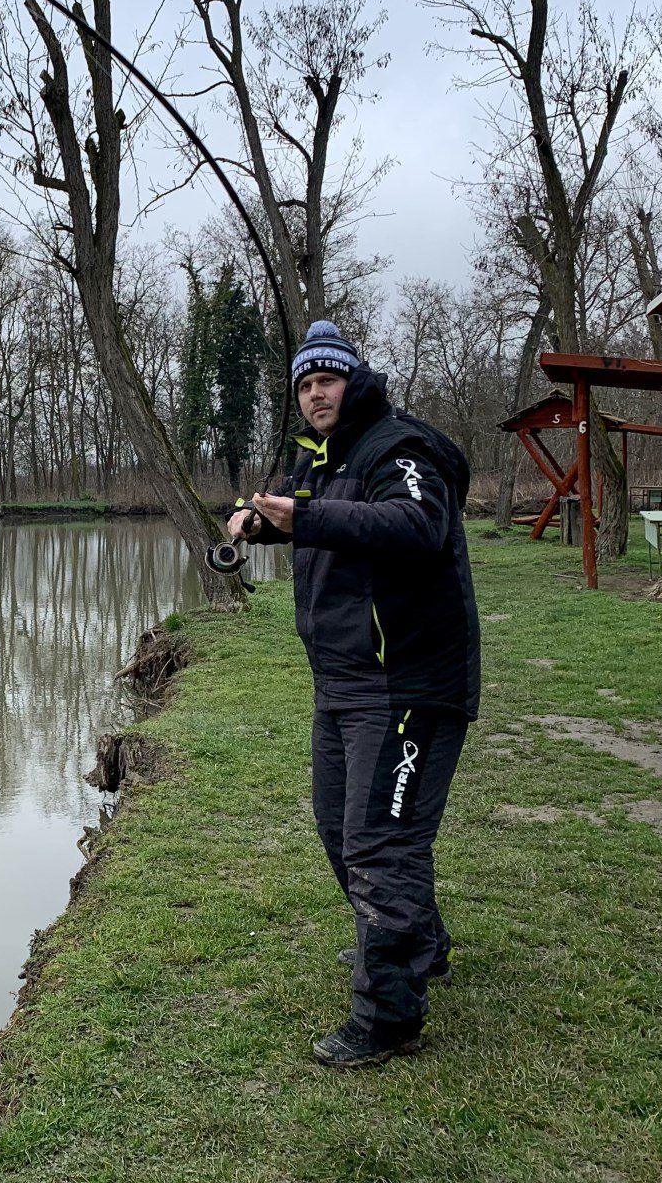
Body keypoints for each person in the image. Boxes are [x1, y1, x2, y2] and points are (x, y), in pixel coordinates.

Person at [228, 319, 480, 1068]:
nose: (315, 396)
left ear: (354, 381)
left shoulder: (398, 447)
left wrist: (302, 513)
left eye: (326, 381)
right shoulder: (323, 459)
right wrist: (268, 525)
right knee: (340, 828)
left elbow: (416, 523)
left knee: (382, 844)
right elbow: (338, 521)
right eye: (304, 386)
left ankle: (389, 1019)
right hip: (342, 681)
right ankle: (417, 944)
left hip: (407, 680)